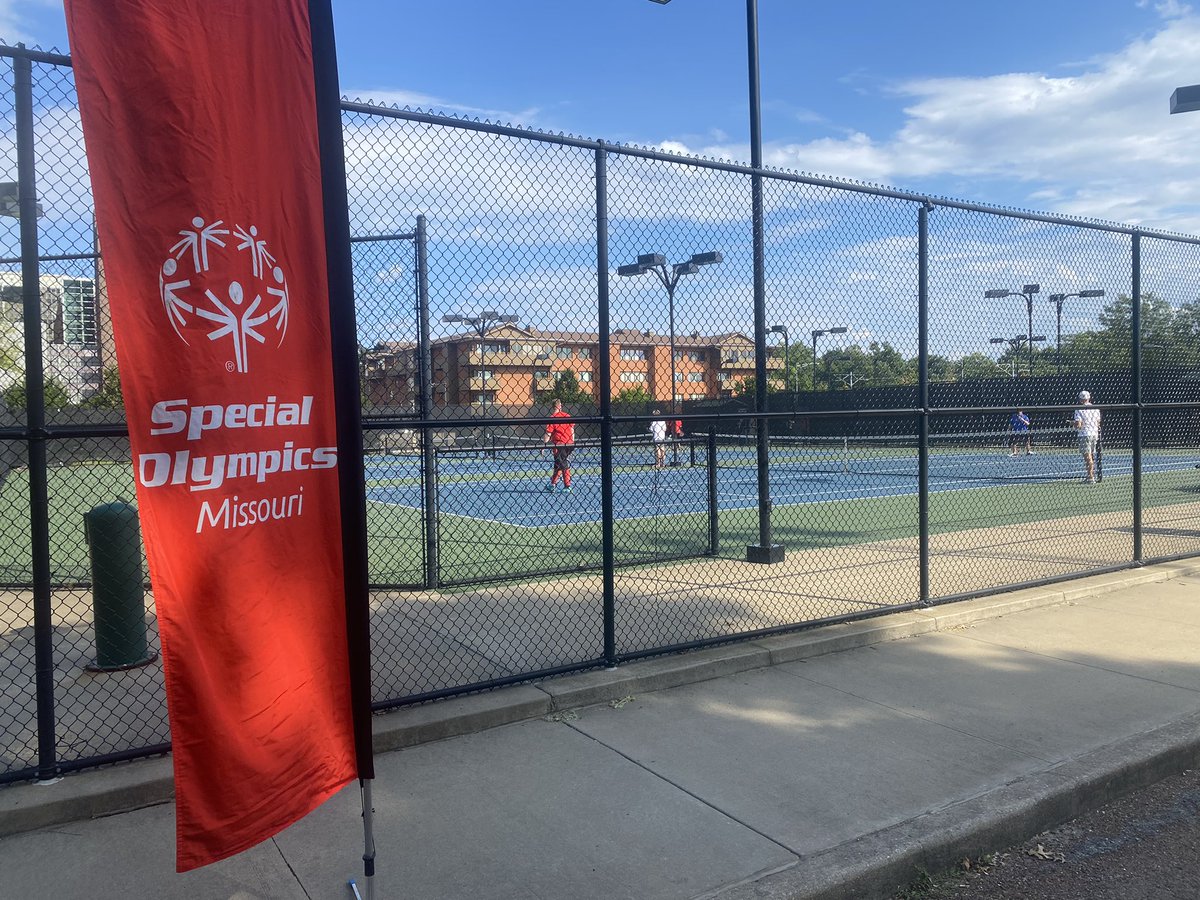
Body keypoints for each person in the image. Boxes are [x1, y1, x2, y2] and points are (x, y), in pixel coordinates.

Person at [543, 399, 574, 493]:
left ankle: (567, 485)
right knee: (558, 465)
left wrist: (543, 445)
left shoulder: (552, 418)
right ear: (560, 406)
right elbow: (572, 430)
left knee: (563, 464)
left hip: (559, 445)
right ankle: (552, 484)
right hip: (569, 443)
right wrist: (572, 442)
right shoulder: (567, 416)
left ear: (553, 406)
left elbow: (548, 433)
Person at [1073, 390, 1101, 484]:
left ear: (1080, 399)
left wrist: (1074, 424)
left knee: (1087, 456)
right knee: (1091, 455)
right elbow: (1098, 422)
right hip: (1094, 433)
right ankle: (1090, 475)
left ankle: (1090, 477)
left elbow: (1079, 425)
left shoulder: (1079, 409)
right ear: (1089, 398)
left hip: (1085, 434)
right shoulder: (1095, 408)